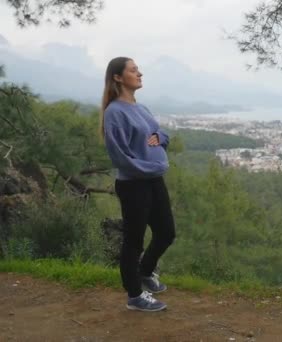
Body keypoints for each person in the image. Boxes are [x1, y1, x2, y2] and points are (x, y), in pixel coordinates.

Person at [100, 57, 175, 312]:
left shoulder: (141, 109)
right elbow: (118, 156)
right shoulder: (114, 112)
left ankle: (144, 272)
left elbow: (161, 134)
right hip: (134, 185)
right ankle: (134, 295)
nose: (140, 73)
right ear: (118, 78)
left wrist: (159, 139)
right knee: (134, 241)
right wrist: (148, 167)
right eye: (133, 70)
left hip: (154, 179)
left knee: (166, 232)